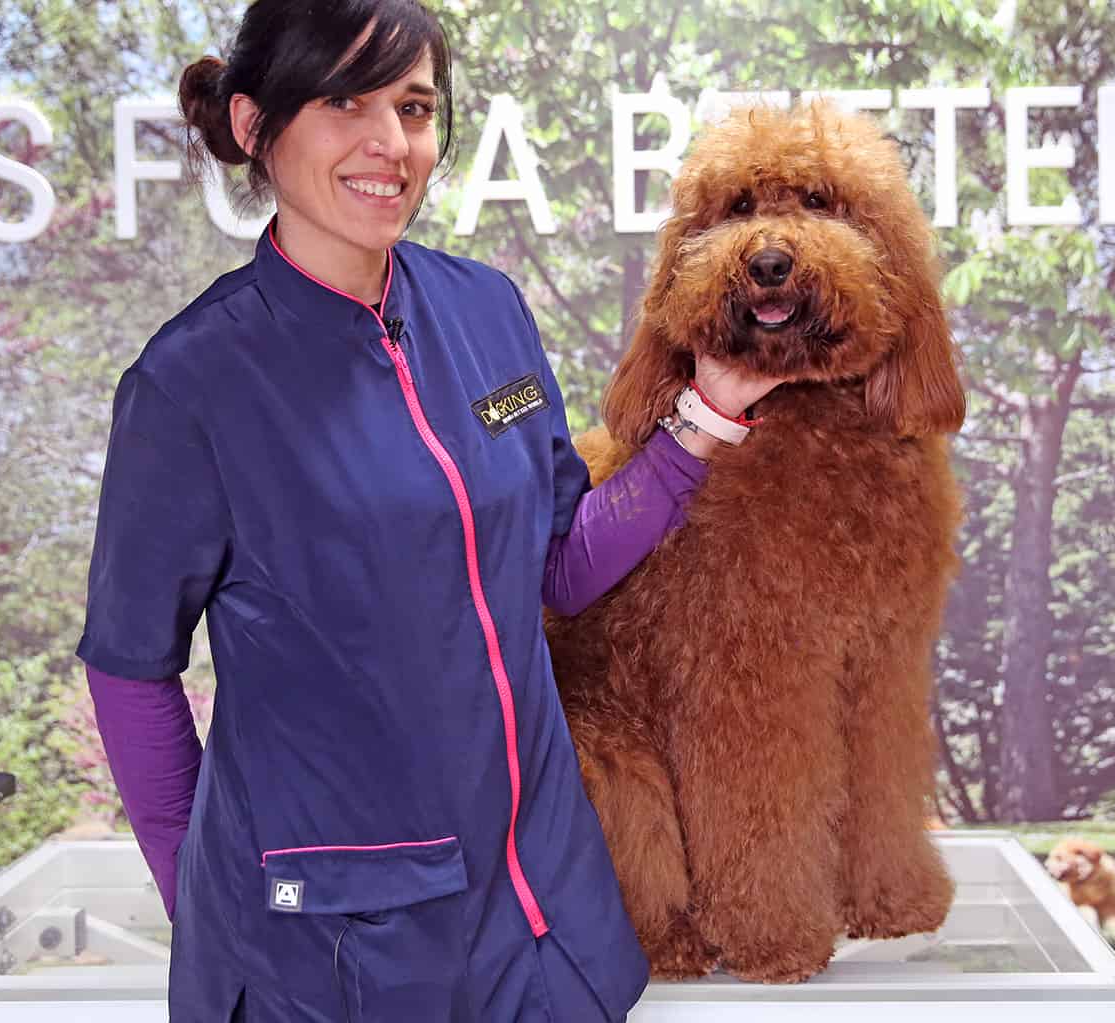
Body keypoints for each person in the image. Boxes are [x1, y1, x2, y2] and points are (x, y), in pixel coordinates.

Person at [74, 1, 784, 1020]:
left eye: (412, 108)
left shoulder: (485, 310)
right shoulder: (193, 384)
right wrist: (206, 898)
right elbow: (130, 667)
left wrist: (704, 419)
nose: (388, 144)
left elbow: (558, 564)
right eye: (343, 102)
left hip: (544, 915)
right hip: (337, 952)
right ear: (251, 125)